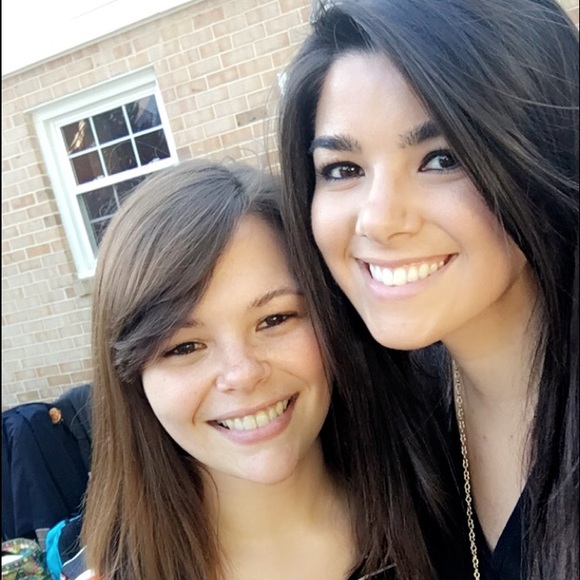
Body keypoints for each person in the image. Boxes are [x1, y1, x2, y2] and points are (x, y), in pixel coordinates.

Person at [277, 1, 579, 579]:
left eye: (441, 159)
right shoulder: (387, 422)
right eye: (343, 169)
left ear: (540, 154)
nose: (378, 220)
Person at [81, 159, 450, 579]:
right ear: (131, 379)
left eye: (275, 319)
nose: (242, 373)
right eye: (184, 347)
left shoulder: (454, 513)